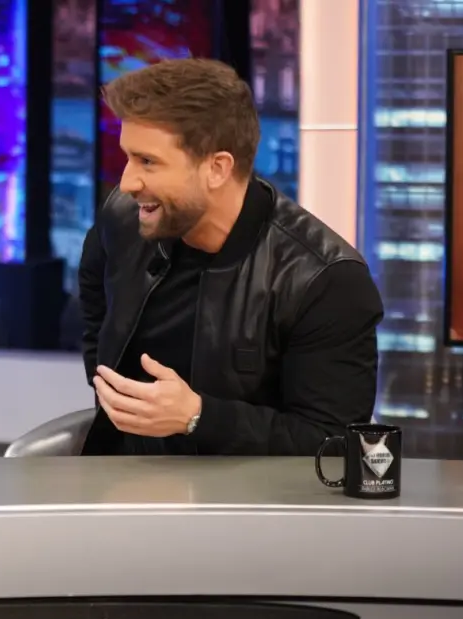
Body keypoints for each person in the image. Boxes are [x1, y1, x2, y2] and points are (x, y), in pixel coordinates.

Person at [77, 58, 384, 456]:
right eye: (128, 157)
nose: (127, 182)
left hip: (250, 493)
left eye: (148, 161)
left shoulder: (324, 280)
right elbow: (96, 320)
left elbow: (334, 441)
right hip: (124, 476)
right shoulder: (122, 221)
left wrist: (199, 418)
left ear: (217, 168)